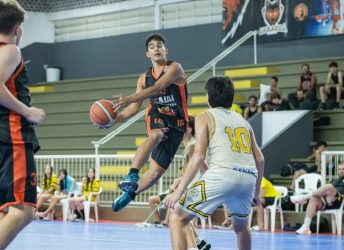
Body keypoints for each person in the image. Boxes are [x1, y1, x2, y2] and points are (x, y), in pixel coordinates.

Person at [165, 76, 264, 250]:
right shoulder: (243, 121)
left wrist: (179, 191)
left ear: (208, 97)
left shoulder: (205, 116)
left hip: (221, 175)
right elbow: (260, 159)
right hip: (248, 178)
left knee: (177, 217)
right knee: (242, 228)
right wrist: (256, 193)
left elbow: (199, 155)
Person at [111, 33, 188, 212]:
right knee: (156, 134)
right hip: (157, 114)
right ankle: (132, 175)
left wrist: (129, 98)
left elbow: (158, 88)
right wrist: (113, 120)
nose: (156, 49)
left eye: (159, 45)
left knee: (155, 173)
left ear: (166, 50)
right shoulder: (143, 78)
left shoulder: (175, 68)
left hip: (177, 121)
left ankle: (130, 193)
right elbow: (134, 109)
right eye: (152, 47)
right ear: (148, 53)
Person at [0, 1, 46, 249]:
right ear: (18, 29)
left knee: (5, 211)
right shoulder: (10, 50)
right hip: (12, 136)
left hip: (3, 140)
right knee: (23, 210)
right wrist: (27, 111)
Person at [290, 162, 344, 235]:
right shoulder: (336, 180)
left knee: (329, 186)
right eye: (339, 169)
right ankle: (306, 227)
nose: (341, 171)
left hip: (340, 201)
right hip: (328, 200)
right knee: (314, 198)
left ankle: (304, 197)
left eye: (343, 169)